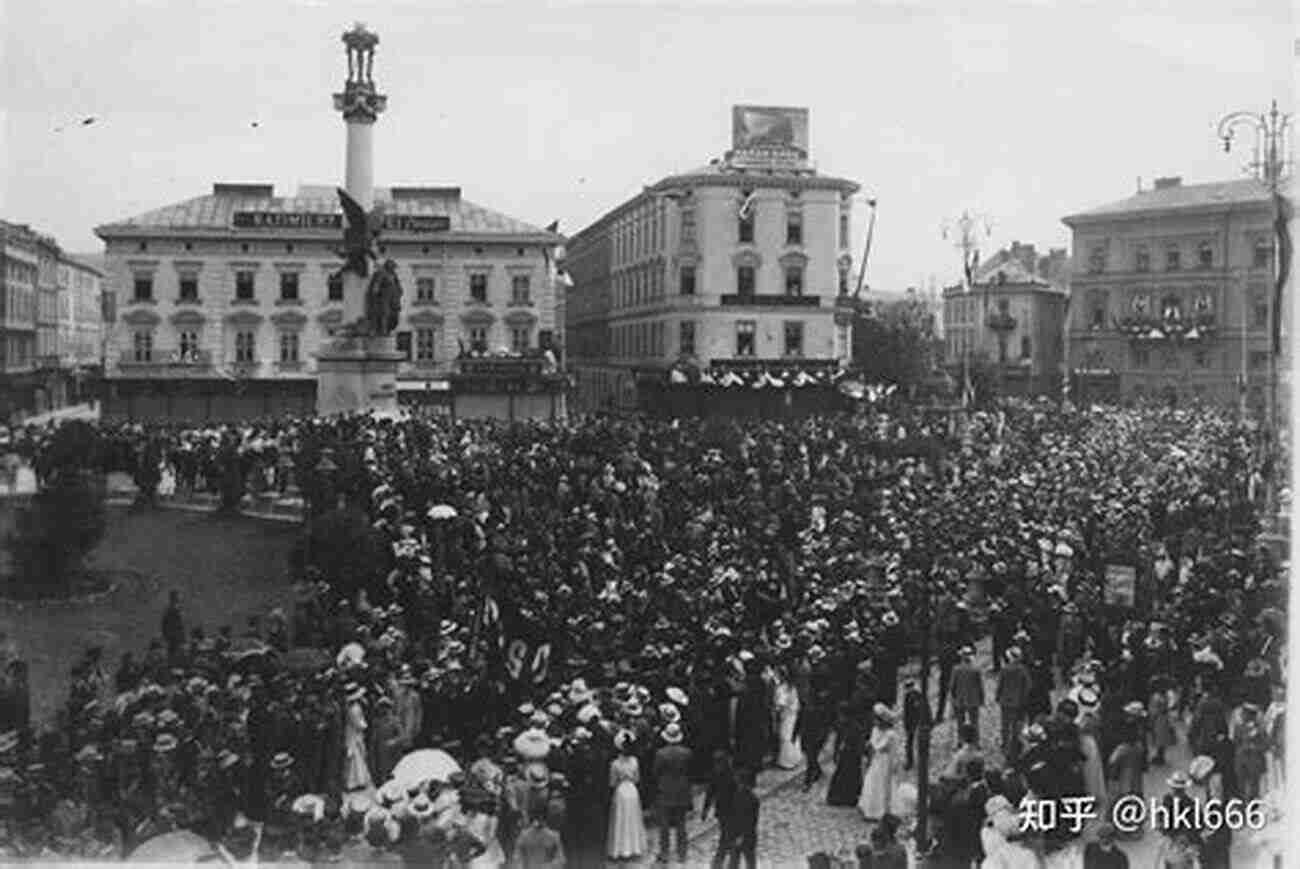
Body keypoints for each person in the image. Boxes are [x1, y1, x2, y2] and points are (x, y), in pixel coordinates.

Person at [653, 722, 692, 865]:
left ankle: (664, 853)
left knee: (664, 826)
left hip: (665, 791)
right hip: (682, 790)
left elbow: (655, 772)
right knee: (681, 824)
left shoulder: (660, 754)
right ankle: (682, 853)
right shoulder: (686, 753)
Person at [607, 729, 647, 861]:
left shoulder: (615, 764)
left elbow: (612, 782)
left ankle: (620, 849)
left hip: (621, 791)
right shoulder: (635, 761)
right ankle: (633, 848)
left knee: (621, 819)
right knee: (632, 818)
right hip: (632, 790)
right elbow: (637, 779)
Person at [858, 703, 899, 821]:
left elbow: (885, 749)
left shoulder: (891, 735)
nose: (875, 722)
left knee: (883, 784)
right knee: (872, 781)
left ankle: (881, 810)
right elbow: (872, 744)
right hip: (877, 760)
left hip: (885, 761)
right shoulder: (875, 730)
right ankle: (869, 808)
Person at [995, 647, 1031, 763]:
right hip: (1018, 701)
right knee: (1016, 724)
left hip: (1005, 701)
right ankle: (1014, 744)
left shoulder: (1005, 669)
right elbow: (1027, 686)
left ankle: (1005, 743)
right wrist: (1024, 697)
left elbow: (1000, 684)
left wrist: (998, 696)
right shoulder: (1023, 670)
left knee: (1005, 724)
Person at [826, 701, 865, 807]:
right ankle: (838, 797)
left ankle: (849, 798)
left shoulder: (856, 727)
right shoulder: (842, 725)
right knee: (841, 776)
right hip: (844, 755)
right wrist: (836, 752)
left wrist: (854, 752)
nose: (840, 717)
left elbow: (859, 744)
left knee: (850, 777)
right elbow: (838, 740)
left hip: (852, 756)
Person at [719, 768, 759, 869]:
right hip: (744, 834)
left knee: (738, 860)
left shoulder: (740, 798)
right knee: (746, 860)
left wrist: (740, 836)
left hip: (741, 834)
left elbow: (748, 820)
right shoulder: (751, 798)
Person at [772, 666, 803, 770]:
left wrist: (775, 709)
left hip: (786, 715)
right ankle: (795, 757)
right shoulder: (791, 686)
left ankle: (787, 762)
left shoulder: (781, 688)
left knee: (785, 737)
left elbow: (780, 704)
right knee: (791, 736)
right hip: (793, 714)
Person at [343, 683, 372, 793]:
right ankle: (356, 782)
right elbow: (358, 723)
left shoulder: (349, 707)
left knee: (355, 758)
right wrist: (366, 725)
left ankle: (354, 781)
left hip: (351, 733)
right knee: (356, 758)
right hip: (354, 734)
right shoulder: (354, 709)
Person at [949, 646, 984, 733]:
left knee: (960, 722)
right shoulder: (976, 669)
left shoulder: (956, 669)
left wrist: (953, 698)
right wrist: (982, 699)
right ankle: (976, 742)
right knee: (974, 721)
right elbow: (980, 686)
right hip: (973, 699)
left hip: (960, 699)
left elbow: (952, 686)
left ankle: (960, 741)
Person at [902, 678, 927, 771]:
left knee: (909, 743)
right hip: (913, 722)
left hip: (912, 723)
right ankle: (910, 761)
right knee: (910, 743)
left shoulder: (911, 696)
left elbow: (909, 711)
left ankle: (910, 762)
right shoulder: (916, 694)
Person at [161, 591, 185, 662]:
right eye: (178, 597)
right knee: (174, 653)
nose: (180, 598)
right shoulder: (173, 609)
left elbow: (164, 624)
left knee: (173, 653)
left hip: (172, 636)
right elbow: (178, 624)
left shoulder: (170, 609)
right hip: (174, 637)